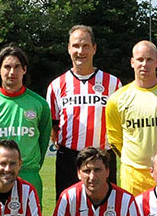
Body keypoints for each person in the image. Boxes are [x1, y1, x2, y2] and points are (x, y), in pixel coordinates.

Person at [47, 25, 122, 199]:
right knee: (68, 207)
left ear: (94, 49)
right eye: (76, 46)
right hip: (69, 158)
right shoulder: (56, 85)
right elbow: (53, 125)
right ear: (68, 49)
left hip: (104, 156)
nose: (80, 51)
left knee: (107, 206)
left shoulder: (113, 83)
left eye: (86, 46)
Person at [105, 40, 157, 196]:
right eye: (140, 59)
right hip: (133, 175)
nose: (144, 64)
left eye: (149, 59)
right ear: (132, 62)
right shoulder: (117, 99)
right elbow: (115, 140)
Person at [0, 45, 51, 196]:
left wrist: (29, 168)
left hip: (28, 174)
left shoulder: (39, 104)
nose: (12, 72)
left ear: (25, 70)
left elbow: (43, 142)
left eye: (17, 67)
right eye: (7, 67)